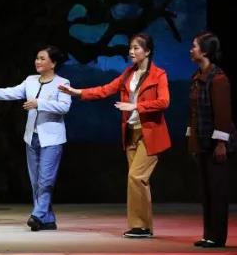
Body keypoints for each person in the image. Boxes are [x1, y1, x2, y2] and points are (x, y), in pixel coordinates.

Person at [59, 32, 170, 238]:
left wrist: (136, 106)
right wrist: (78, 92)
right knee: (138, 181)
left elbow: (164, 102)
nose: (131, 51)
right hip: (131, 132)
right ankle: (142, 226)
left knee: (136, 177)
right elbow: (105, 90)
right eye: (130, 48)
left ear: (147, 51)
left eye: (136, 48)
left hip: (150, 133)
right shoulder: (128, 73)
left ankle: (141, 227)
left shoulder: (159, 75)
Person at [0, 45, 71, 231]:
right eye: (37, 58)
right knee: (36, 181)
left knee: (46, 179)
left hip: (51, 139)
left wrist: (40, 103)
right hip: (32, 138)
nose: (38, 61)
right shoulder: (30, 80)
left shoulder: (63, 83)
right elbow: (12, 92)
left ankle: (37, 215)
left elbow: (64, 107)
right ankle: (47, 219)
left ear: (53, 63)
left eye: (42, 58)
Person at [184, 31, 232, 248]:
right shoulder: (197, 78)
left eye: (194, 46)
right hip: (202, 142)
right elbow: (194, 112)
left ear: (204, 51)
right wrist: (192, 140)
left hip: (216, 144)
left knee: (217, 190)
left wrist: (221, 143)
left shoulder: (218, 78)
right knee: (206, 191)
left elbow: (223, 115)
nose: (191, 50)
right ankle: (208, 234)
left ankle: (217, 236)